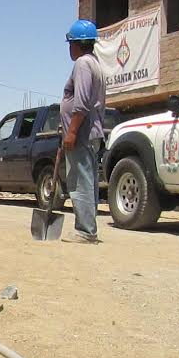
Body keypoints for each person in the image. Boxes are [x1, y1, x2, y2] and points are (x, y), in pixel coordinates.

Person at [61, 19, 107, 244]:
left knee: (80, 181)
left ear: (77, 44)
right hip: (89, 132)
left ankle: (86, 231)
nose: (69, 48)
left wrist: (71, 132)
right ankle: (87, 228)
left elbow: (81, 103)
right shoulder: (94, 63)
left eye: (70, 43)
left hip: (83, 133)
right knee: (87, 181)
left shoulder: (82, 64)